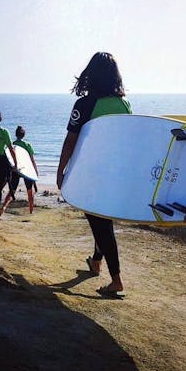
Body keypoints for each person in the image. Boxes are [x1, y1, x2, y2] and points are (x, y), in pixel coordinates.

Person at [57, 52, 132, 298]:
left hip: (93, 175)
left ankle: (116, 280)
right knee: (102, 220)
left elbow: (70, 143)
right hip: (117, 174)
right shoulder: (124, 104)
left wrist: (61, 171)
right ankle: (96, 262)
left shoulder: (85, 104)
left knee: (101, 226)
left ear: (91, 74)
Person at [1, 126, 39, 214]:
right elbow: (32, 161)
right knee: (30, 191)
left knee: (12, 191)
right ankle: (30, 211)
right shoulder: (27, 145)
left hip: (15, 170)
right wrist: (35, 173)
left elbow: (8, 158)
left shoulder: (13, 144)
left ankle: (3, 208)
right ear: (23, 135)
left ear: (16, 134)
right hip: (26, 170)